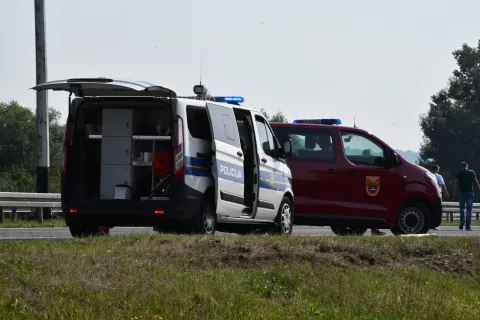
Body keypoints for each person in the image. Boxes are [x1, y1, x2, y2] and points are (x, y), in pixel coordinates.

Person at [453, 162, 480, 231]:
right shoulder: (471, 172)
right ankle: (468, 226)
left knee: (462, 208)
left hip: (462, 193)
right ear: (467, 166)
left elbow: (456, 184)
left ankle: (462, 220)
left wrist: (455, 194)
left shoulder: (459, 173)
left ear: (461, 166)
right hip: (470, 192)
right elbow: (476, 182)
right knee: (469, 210)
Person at [431, 165, 449, 230]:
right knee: (437, 210)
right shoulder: (439, 176)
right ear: (437, 169)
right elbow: (443, 185)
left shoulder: (429, 175)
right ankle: (435, 225)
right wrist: (446, 193)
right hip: (437, 194)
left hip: (429, 194)